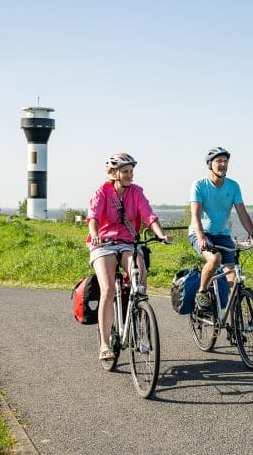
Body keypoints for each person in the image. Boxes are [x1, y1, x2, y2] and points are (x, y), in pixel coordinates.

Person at [87, 152, 171, 361]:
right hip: (104, 244)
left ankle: (137, 314)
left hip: (128, 242)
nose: (129, 175)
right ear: (114, 173)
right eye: (125, 172)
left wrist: (160, 235)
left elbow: (149, 215)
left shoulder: (136, 192)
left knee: (139, 276)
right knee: (106, 288)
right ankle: (105, 344)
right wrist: (95, 235)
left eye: (131, 172)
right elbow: (93, 217)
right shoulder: (102, 192)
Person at [189, 146, 253, 312]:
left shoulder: (233, 186)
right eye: (218, 161)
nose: (223, 164)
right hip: (201, 234)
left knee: (233, 277)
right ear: (209, 164)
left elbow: (242, 213)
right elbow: (195, 216)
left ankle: (233, 322)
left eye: (225, 161)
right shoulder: (199, 185)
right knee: (214, 259)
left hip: (223, 235)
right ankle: (202, 292)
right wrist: (201, 237)